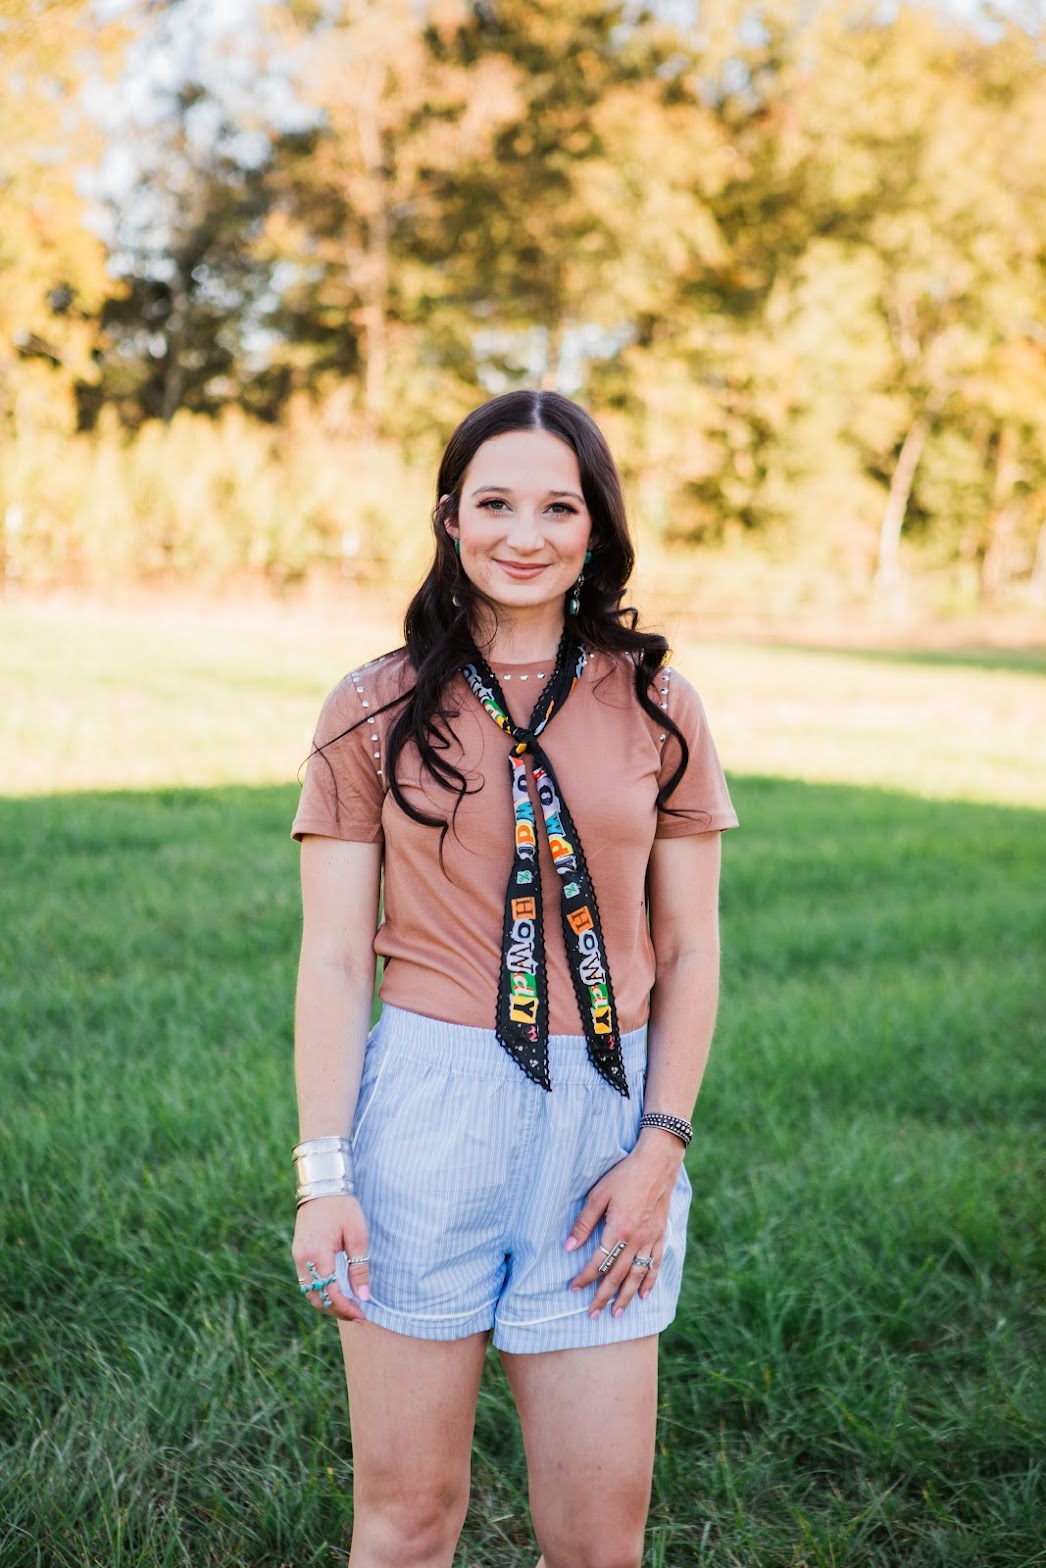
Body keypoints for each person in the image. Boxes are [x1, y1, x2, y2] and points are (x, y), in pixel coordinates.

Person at [289, 389, 738, 1568]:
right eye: (493, 501)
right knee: (405, 1518)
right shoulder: (370, 704)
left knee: (596, 1540)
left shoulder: (656, 701)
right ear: (450, 517)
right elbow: (334, 958)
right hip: (428, 1111)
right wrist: (323, 1172)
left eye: (557, 505)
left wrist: (658, 1150)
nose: (522, 533)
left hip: (605, 1123)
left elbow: (691, 946)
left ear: (595, 527)